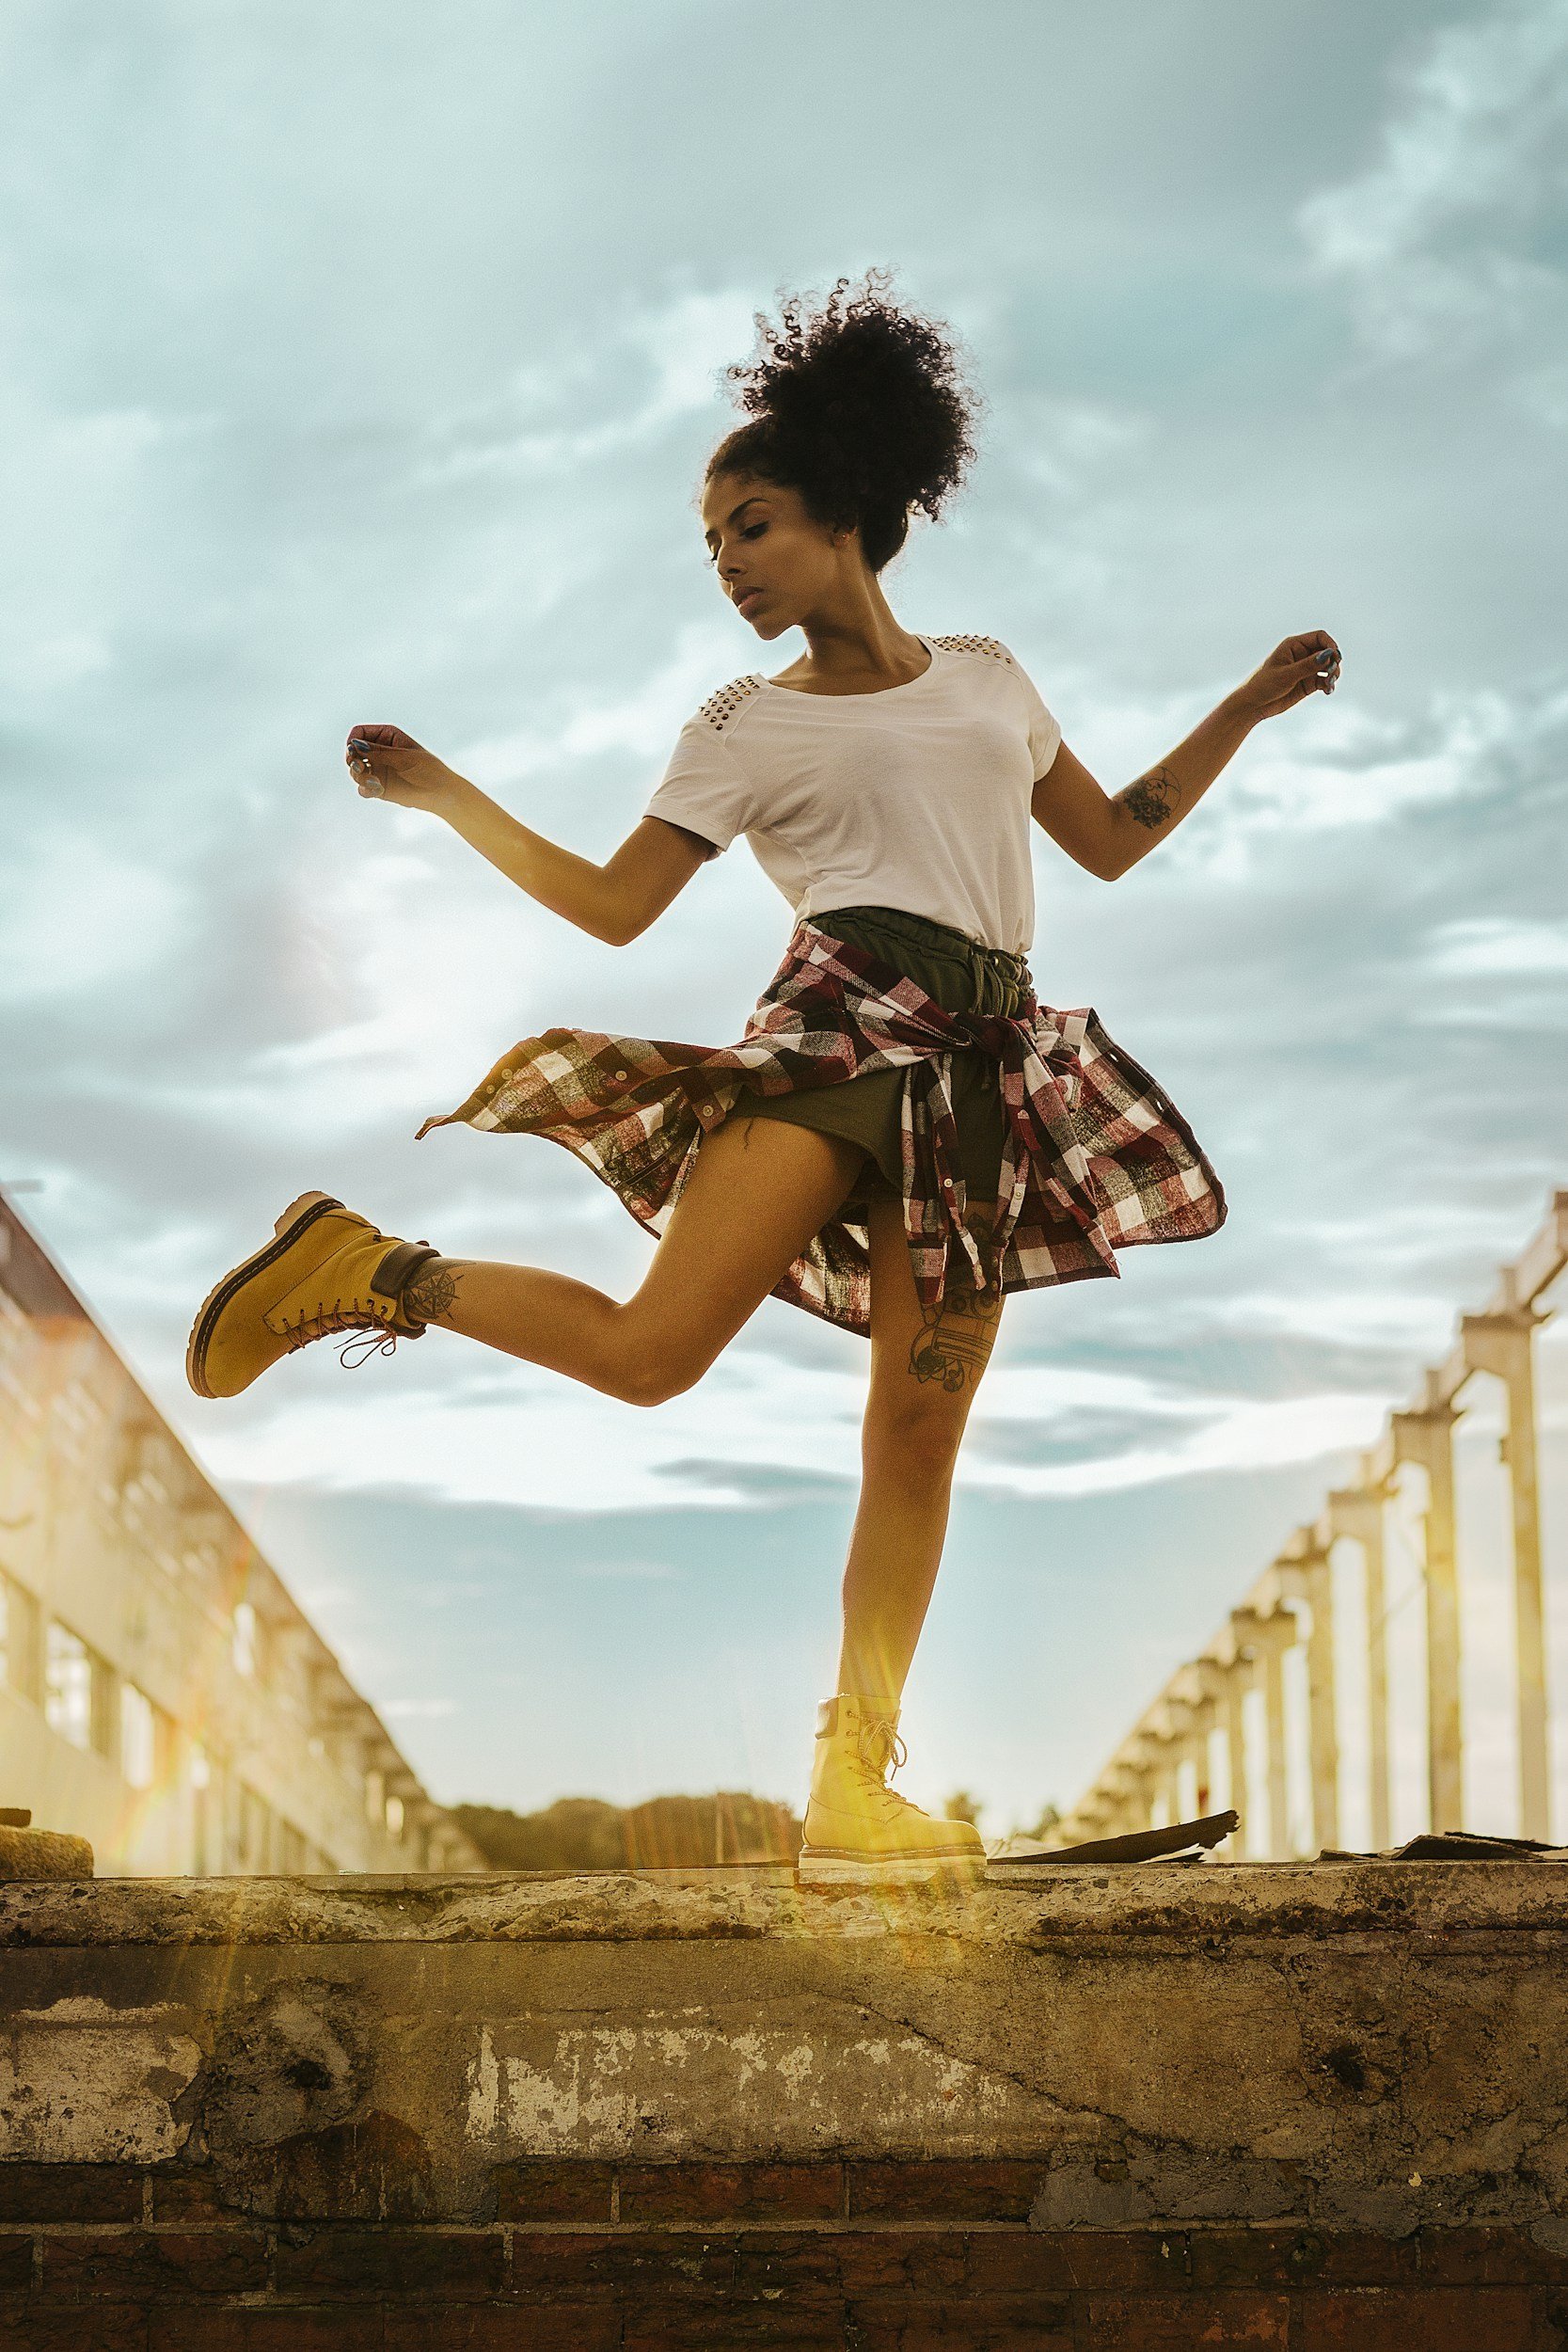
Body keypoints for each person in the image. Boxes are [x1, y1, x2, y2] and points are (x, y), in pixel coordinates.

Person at [186, 272, 1339, 1884]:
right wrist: (450, 797)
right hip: (835, 1039)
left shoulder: (991, 677)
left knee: (916, 1441)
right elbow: (613, 904)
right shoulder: (742, 724)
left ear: (846, 515)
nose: (726, 562)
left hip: (985, 1081)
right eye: (713, 539)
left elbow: (1111, 840)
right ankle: (371, 1269)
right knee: (656, 1356)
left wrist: (1247, 706)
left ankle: (854, 1785)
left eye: (753, 525)